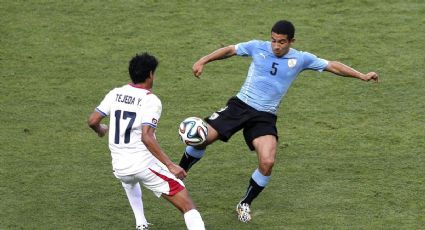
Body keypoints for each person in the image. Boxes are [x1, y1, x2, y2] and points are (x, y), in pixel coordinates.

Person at [178, 20, 379, 223]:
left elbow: (332, 66)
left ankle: (244, 203)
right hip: (240, 106)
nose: (276, 46)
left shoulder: (301, 59)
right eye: (273, 40)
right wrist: (203, 60)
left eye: (282, 42)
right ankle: (177, 175)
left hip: (264, 116)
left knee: (267, 162)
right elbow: (230, 50)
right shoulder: (257, 46)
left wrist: (361, 76)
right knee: (200, 138)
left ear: (291, 41)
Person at [88, 52, 205, 230]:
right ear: (150, 74)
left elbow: (92, 120)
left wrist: (101, 130)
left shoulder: (115, 93)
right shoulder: (151, 101)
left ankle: (141, 223)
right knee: (187, 205)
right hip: (143, 165)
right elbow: (146, 136)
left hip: (119, 167)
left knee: (129, 180)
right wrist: (170, 165)